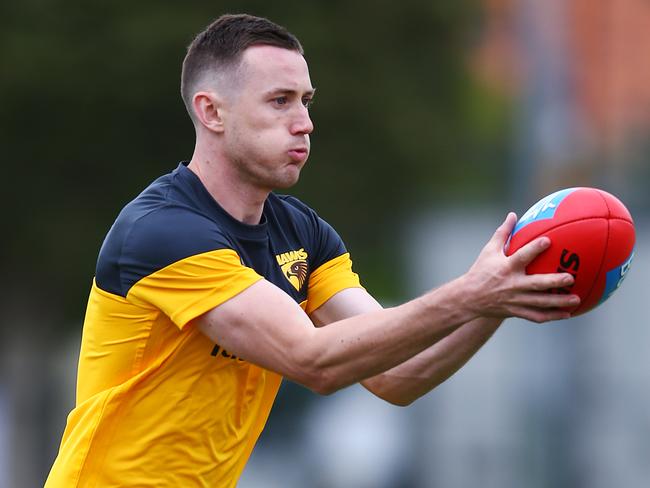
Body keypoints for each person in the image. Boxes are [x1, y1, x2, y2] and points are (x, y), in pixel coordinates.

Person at [45, 13, 579, 487]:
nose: (304, 122)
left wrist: (498, 297)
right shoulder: (163, 233)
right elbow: (313, 360)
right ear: (212, 112)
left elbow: (394, 375)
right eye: (280, 101)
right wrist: (470, 294)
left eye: (305, 101)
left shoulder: (303, 233)